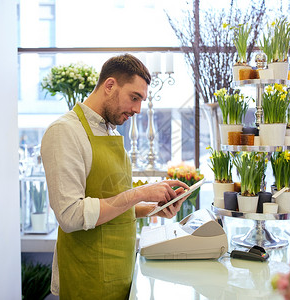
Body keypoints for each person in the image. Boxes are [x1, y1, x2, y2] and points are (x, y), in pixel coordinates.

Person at [40, 53, 189, 299]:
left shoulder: (110, 132)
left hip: (121, 273)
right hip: (88, 276)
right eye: (134, 97)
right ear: (110, 85)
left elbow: (112, 203)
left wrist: (151, 208)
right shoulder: (64, 132)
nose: (138, 109)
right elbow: (70, 215)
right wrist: (140, 193)